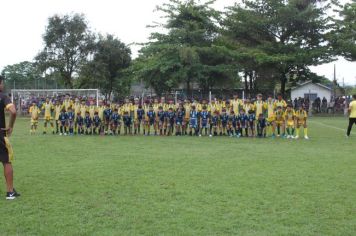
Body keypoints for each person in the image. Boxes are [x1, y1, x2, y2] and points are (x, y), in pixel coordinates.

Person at [0, 75, 20, 200]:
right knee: (6, 161)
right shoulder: (2, 96)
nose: (3, 86)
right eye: (2, 83)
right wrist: (10, 126)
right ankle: (10, 192)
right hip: (0, 134)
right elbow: (13, 111)